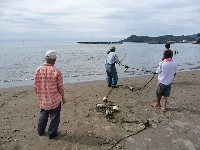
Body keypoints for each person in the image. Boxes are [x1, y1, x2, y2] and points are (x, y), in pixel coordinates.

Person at [34, 50, 66, 139]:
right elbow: (60, 88)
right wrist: (63, 97)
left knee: (43, 115)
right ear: (54, 60)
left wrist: (39, 95)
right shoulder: (57, 71)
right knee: (55, 117)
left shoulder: (38, 70)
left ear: (45, 59)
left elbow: (36, 85)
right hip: (55, 99)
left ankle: (40, 131)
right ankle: (52, 133)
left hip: (43, 99)